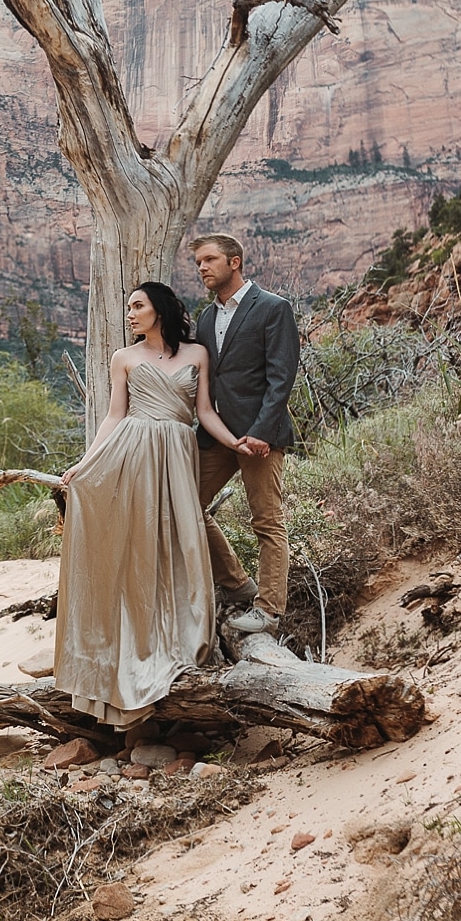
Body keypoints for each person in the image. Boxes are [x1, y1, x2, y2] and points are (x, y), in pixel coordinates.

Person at [53, 280, 253, 728]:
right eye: (127, 307)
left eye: (137, 306)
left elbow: (203, 412)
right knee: (137, 542)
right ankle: (125, 644)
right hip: (133, 451)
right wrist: (85, 465)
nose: (130, 313)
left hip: (179, 454)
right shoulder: (123, 358)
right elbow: (114, 415)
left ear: (159, 309)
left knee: (184, 536)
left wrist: (234, 443)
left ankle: (186, 635)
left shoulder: (197, 354)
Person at [188, 233, 300, 637]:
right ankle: (237, 583)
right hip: (217, 436)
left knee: (267, 522)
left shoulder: (272, 308)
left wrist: (261, 432)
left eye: (210, 259)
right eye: (199, 261)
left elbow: (281, 377)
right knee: (186, 506)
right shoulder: (205, 318)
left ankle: (269, 610)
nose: (202, 267)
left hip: (259, 439)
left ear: (234, 262)